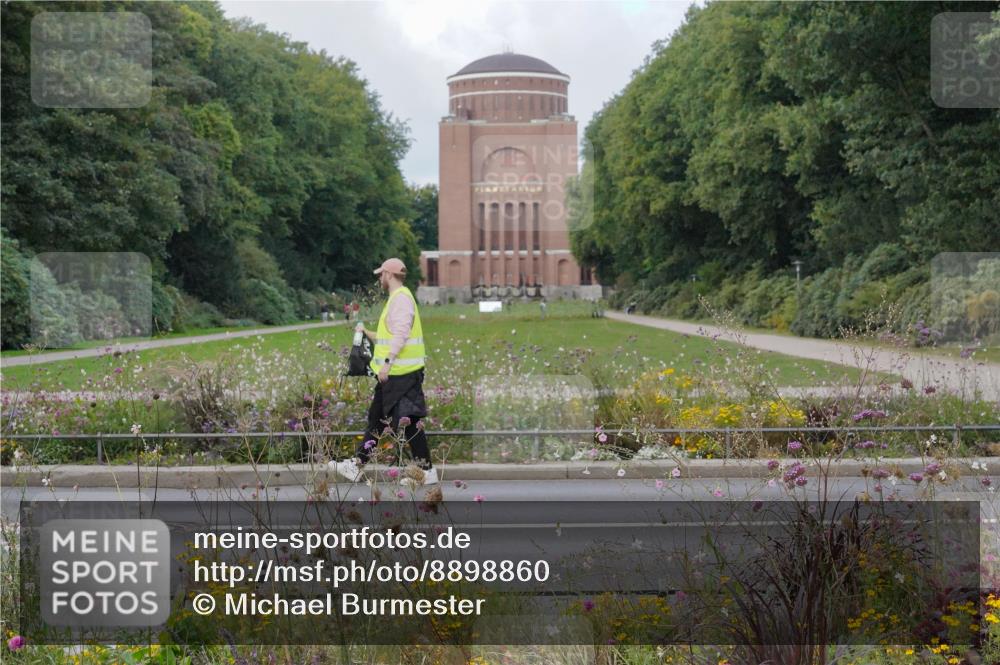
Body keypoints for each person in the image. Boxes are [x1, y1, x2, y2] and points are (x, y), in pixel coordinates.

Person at [333, 258, 437, 485]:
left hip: (401, 373)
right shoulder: (398, 299)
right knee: (378, 418)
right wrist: (365, 331)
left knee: (408, 421)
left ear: (389, 275)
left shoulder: (400, 300)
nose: (380, 279)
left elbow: (401, 334)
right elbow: (388, 337)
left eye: (381, 275)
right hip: (396, 373)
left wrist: (387, 364)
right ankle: (357, 465)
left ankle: (426, 472)